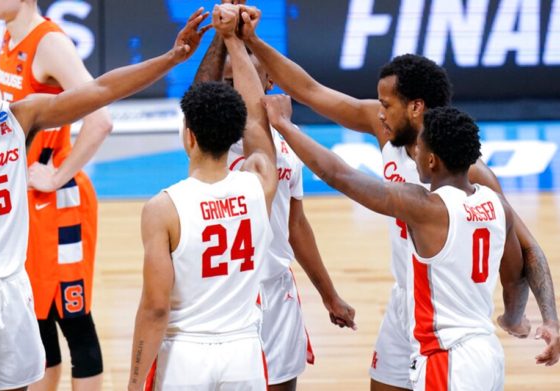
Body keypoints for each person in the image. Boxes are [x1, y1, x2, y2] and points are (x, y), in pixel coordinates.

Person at [0, 9, 210, 390]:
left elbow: (101, 91)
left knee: (16, 385)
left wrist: (173, 57)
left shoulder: (19, 118)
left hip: (12, 286)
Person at [236, 7, 560, 390]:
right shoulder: (386, 126)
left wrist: (538, 316)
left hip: (449, 321)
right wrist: (252, 40)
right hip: (406, 301)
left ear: (416, 107)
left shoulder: (469, 173)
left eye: (387, 104)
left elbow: (524, 250)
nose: (379, 113)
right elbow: (309, 91)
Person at [266, 97, 531, 389]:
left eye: (420, 147)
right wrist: (512, 318)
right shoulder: (496, 205)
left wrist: (284, 125)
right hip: (487, 353)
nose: (414, 152)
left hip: (447, 358)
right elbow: (516, 279)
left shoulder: (426, 207)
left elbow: (338, 175)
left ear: (432, 160)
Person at [192, 2, 355, 389]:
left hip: (275, 289)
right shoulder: (208, 143)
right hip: (221, 296)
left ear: (267, 83)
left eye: (241, 82)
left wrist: (329, 295)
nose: (231, 93)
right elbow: (202, 93)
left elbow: (296, 226)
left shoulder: (285, 148)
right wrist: (223, 34)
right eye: (225, 85)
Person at [127, 5, 277, 390]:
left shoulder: (163, 208)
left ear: (188, 136)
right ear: (233, 137)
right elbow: (258, 118)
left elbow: (156, 308)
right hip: (243, 349)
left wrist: (133, 382)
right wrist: (234, 39)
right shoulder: (258, 181)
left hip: (185, 354)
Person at [0, 0, 112, 389]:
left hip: (60, 207)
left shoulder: (50, 44)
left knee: (73, 319)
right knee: (36, 318)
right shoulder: (10, 37)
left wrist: (58, 175)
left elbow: (101, 118)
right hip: (24, 202)